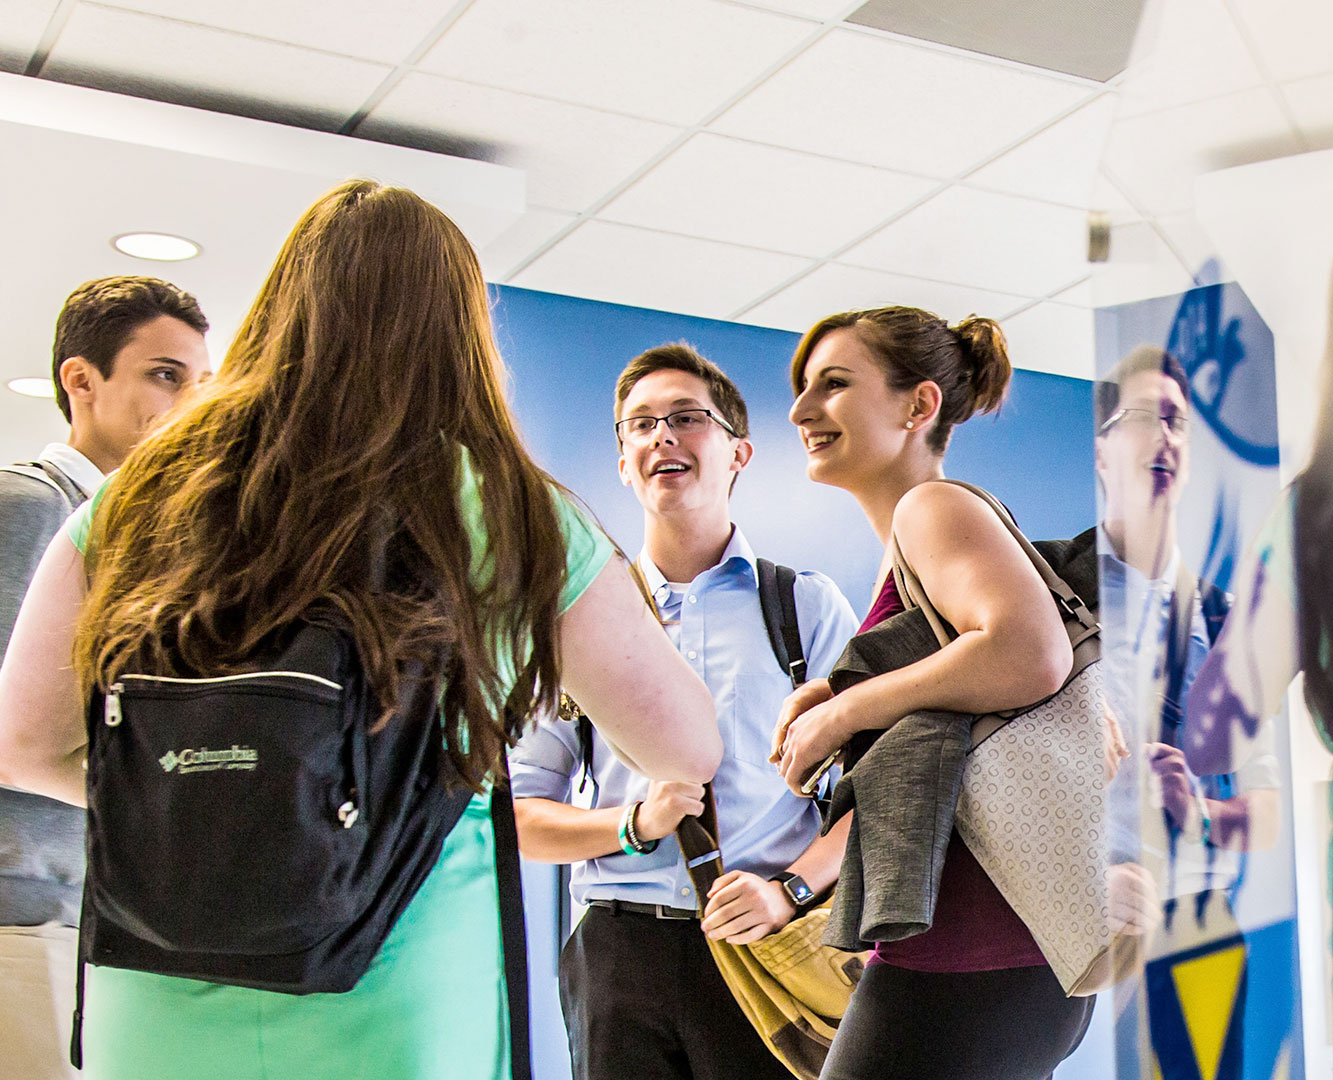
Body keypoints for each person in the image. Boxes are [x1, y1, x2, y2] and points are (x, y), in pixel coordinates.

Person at [0, 180, 720, 1080]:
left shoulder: (143, 491)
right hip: (399, 994)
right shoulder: (504, 505)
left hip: (154, 994)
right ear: (459, 333)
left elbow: (25, 748)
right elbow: (688, 745)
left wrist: (227, 808)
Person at [511, 342, 858, 1080]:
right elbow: (518, 815)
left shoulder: (803, 608)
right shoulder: (578, 621)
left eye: (686, 418)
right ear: (622, 462)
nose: (660, 436)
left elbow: (884, 796)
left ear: (738, 452)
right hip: (616, 957)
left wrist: (789, 889)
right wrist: (630, 827)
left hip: (764, 945)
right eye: (639, 425)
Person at [775, 306, 1091, 1080]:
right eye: (802, 387)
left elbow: (1029, 653)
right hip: (1000, 955)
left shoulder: (932, 507)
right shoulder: (914, 541)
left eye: (834, 384)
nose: (801, 409)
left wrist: (846, 710)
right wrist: (836, 688)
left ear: (919, 406)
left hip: (971, 954)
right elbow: (961, 672)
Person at [0, 276, 210, 1080]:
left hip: (103, 921)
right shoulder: (30, 507)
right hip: (25, 915)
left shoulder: (150, 542)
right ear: (81, 381)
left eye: (198, 380)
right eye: (165, 375)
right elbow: (15, 737)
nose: (190, 401)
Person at [1094, 344, 1282, 1080]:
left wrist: (1200, 812)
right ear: (1102, 452)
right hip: (1074, 917)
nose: (1165, 437)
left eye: (1176, 422)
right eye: (1144, 417)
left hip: (1197, 926)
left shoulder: (1224, 620)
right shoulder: (1051, 595)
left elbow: (1265, 816)